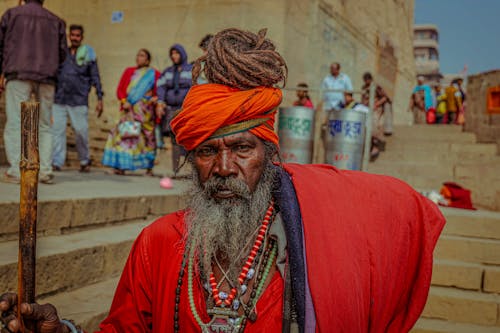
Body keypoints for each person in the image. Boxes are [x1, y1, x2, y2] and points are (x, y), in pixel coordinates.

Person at [0, 28, 445, 333]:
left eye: (243, 149)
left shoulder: (304, 239)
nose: (225, 167)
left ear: (271, 156)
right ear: (191, 160)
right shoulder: (158, 244)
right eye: (208, 152)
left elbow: (407, 219)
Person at [0, 0, 67, 184]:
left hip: (18, 73)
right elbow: (63, 54)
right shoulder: (56, 20)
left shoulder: (12, 15)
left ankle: (16, 171)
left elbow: (1, 45)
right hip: (47, 77)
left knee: (15, 122)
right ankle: (45, 170)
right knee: (45, 125)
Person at [51, 24, 104, 173]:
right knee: (58, 131)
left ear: (81, 37)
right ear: (69, 36)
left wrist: (100, 98)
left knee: (81, 131)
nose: (74, 38)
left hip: (79, 99)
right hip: (59, 98)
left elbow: (95, 76)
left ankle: (84, 160)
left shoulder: (88, 55)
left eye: (77, 35)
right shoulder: (62, 53)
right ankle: (57, 162)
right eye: (72, 35)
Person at [101, 49, 160, 176]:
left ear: (148, 60)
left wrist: (154, 99)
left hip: (145, 112)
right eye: (138, 55)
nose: (138, 57)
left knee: (147, 137)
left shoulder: (153, 74)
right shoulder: (129, 71)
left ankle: (149, 167)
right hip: (128, 109)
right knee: (123, 135)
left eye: (142, 55)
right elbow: (120, 89)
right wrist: (124, 101)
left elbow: (158, 91)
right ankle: (121, 166)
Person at [156, 44, 193, 173]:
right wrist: (160, 102)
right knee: (174, 139)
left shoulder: (191, 70)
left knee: (188, 138)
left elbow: (196, 87)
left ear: (182, 54)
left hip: (186, 110)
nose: (174, 56)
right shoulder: (168, 72)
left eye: (177, 53)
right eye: (172, 54)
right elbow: (161, 87)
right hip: (171, 110)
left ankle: (191, 170)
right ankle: (175, 170)